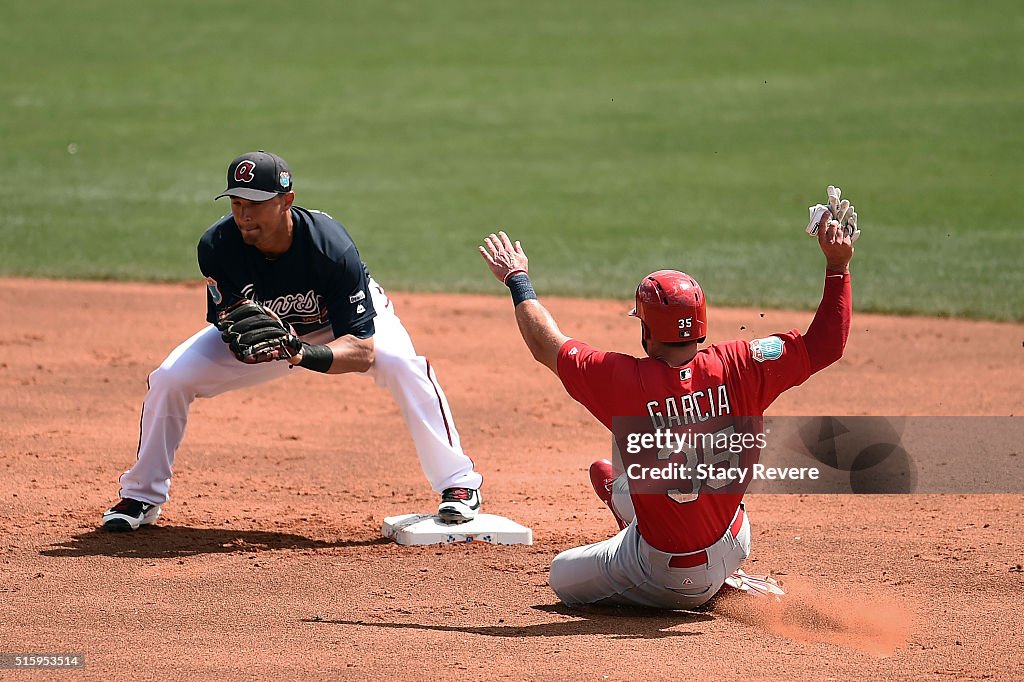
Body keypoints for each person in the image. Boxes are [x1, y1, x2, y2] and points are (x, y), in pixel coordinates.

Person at [478, 192, 856, 608]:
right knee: (611, 476)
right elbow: (826, 345)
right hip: (734, 538)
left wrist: (517, 277)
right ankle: (722, 574)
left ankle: (703, 588)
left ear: (648, 331)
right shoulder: (742, 363)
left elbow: (545, 344)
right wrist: (837, 266)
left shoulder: (623, 380)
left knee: (561, 574)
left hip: (666, 574)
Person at [102, 151, 482, 531]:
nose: (244, 215)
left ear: (286, 200)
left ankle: (459, 486)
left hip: (342, 326)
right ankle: (141, 495)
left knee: (401, 365)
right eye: (237, 203)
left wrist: (301, 352)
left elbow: (363, 352)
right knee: (170, 377)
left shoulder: (329, 246)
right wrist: (258, 350)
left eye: (255, 204)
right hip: (276, 333)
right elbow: (235, 331)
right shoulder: (217, 247)